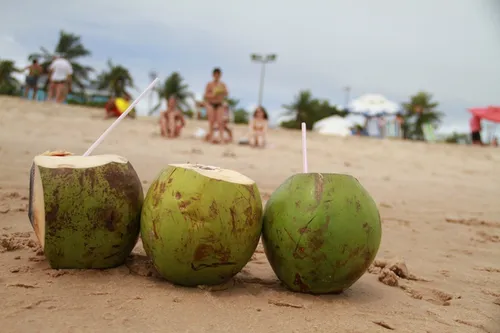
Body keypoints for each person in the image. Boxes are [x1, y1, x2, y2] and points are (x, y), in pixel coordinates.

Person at [203, 67, 228, 143]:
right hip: (211, 104)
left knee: (220, 122)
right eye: (215, 74)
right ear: (213, 75)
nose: (217, 76)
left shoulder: (222, 84)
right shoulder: (209, 84)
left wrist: (221, 92)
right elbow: (205, 95)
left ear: (220, 75)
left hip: (219, 104)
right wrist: (213, 95)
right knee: (211, 121)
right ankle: (211, 137)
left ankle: (221, 137)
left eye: (218, 74)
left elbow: (226, 93)